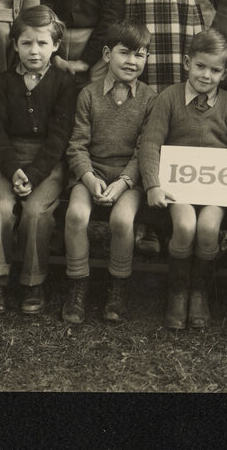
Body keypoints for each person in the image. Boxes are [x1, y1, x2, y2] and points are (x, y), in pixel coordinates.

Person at [138, 29, 227, 330]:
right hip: (178, 187)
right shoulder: (169, 98)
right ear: (187, 62)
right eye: (200, 66)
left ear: (225, 73)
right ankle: (178, 290)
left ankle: (199, 290)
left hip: (217, 189)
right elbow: (150, 143)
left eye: (214, 70)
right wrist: (152, 184)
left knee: (209, 228)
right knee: (185, 225)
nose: (206, 75)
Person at [62, 20, 157, 324]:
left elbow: (145, 148)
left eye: (140, 55)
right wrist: (89, 179)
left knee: (122, 219)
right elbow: (77, 145)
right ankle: (77, 285)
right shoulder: (88, 95)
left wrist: (124, 183)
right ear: (106, 54)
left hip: (129, 179)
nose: (132, 61)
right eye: (125, 53)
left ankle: (117, 287)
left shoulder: (149, 98)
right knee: (76, 215)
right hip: (91, 173)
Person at [0, 5, 76, 315]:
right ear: (15, 44)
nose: (34, 51)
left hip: (45, 162)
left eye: (42, 43)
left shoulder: (63, 82)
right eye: (26, 43)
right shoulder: (2, 82)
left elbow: (59, 138)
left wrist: (34, 175)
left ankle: (33, 283)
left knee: (36, 212)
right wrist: (12, 171)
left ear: (55, 45)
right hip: (7, 159)